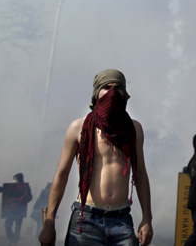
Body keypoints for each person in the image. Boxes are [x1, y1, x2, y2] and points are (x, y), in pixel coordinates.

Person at [38, 69, 153, 246]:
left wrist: (147, 219)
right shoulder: (79, 128)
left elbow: (140, 174)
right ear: (97, 93)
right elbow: (61, 175)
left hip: (121, 220)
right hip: (87, 219)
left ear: (124, 93)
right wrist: (50, 221)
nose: (113, 92)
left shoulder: (133, 129)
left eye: (118, 88)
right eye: (107, 87)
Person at [1, 173, 33, 243]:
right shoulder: (10, 186)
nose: (14, 180)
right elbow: (4, 192)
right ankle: (11, 238)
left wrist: (22, 201)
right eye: (14, 178)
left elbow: (29, 197)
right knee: (7, 225)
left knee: (17, 227)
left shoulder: (25, 187)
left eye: (16, 179)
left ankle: (15, 240)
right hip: (10, 209)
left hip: (20, 209)